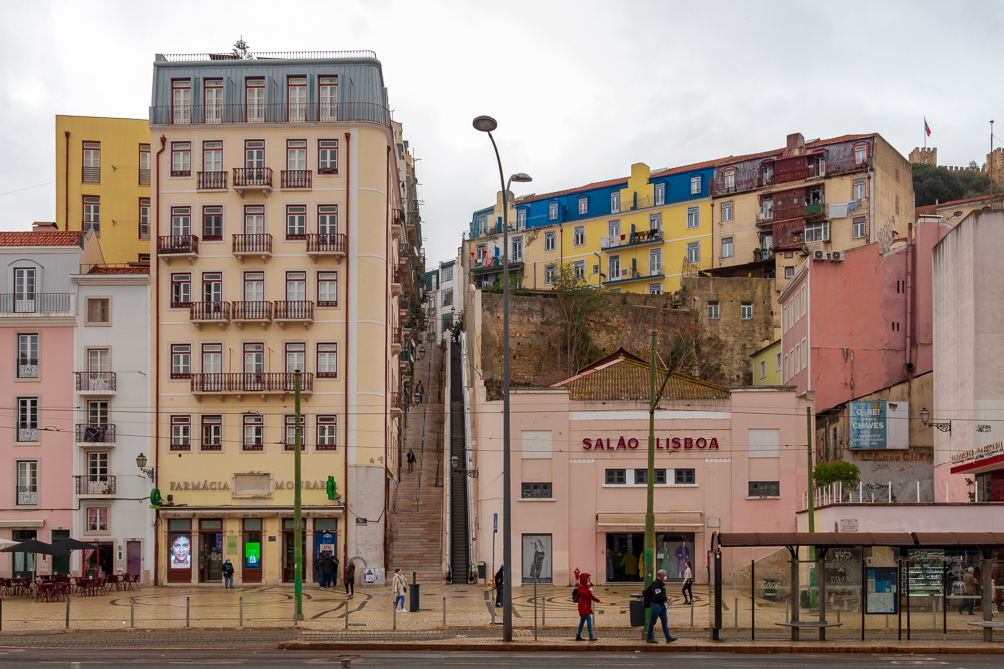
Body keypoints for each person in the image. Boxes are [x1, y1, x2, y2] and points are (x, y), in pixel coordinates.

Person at [644, 569, 677, 643]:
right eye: (665, 575)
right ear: (661, 576)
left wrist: (666, 600)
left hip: (661, 605)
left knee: (664, 621)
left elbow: (660, 595)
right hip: (656, 605)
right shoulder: (656, 584)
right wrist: (666, 598)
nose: (666, 577)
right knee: (652, 622)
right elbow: (658, 595)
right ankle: (649, 638)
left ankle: (668, 637)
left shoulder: (660, 583)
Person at [575, 572, 601, 641]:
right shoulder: (581, 587)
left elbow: (590, 596)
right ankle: (591, 635)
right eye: (588, 579)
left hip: (586, 606)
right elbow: (586, 594)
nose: (589, 580)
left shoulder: (586, 586)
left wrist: (598, 600)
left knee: (582, 621)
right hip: (583, 606)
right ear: (585, 579)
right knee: (589, 619)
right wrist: (589, 587)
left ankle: (578, 635)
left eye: (590, 578)